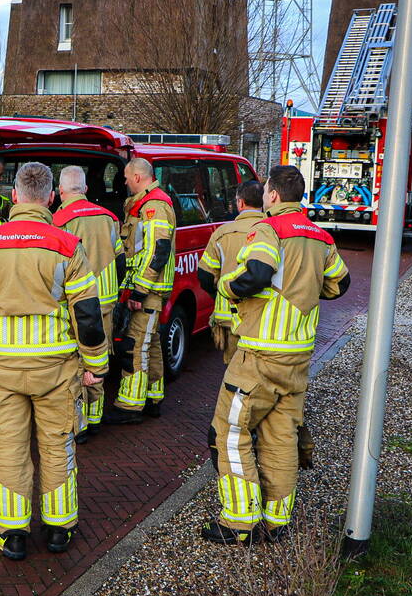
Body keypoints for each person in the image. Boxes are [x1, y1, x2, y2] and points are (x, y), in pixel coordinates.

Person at [0, 162, 108, 561]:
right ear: (50, 198)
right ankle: (58, 529)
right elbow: (87, 314)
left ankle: (12, 533)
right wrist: (95, 366)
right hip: (57, 371)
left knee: (10, 450)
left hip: (1, 371)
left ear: (15, 196)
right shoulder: (67, 245)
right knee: (56, 448)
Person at [202, 165, 349, 545]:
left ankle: (239, 522)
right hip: (298, 357)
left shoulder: (268, 229)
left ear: (271, 195)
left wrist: (228, 288)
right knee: (281, 438)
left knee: (230, 431)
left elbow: (256, 274)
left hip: (260, 355)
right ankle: (276, 520)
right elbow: (340, 283)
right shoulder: (320, 235)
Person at [53, 165, 125, 439]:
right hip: (105, 300)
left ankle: (79, 424)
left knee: (77, 364)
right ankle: (96, 418)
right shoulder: (109, 218)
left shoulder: (59, 221)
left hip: (74, 303)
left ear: (60, 191)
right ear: (84, 189)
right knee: (99, 359)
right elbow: (120, 259)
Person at [103, 158, 176, 424]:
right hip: (150, 291)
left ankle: (130, 407)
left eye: (125, 177)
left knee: (134, 347)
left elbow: (158, 250)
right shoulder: (147, 204)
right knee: (152, 345)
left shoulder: (154, 206)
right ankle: (152, 399)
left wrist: (138, 291)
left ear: (137, 177)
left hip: (146, 291)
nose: (123, 182)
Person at [197, 180, 266, 364]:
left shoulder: (222, 233)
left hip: (230, 317)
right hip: (266, 320)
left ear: (240, 203)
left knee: (234, 370)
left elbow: (205, 275)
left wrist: (219, 294)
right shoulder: (274, 231)